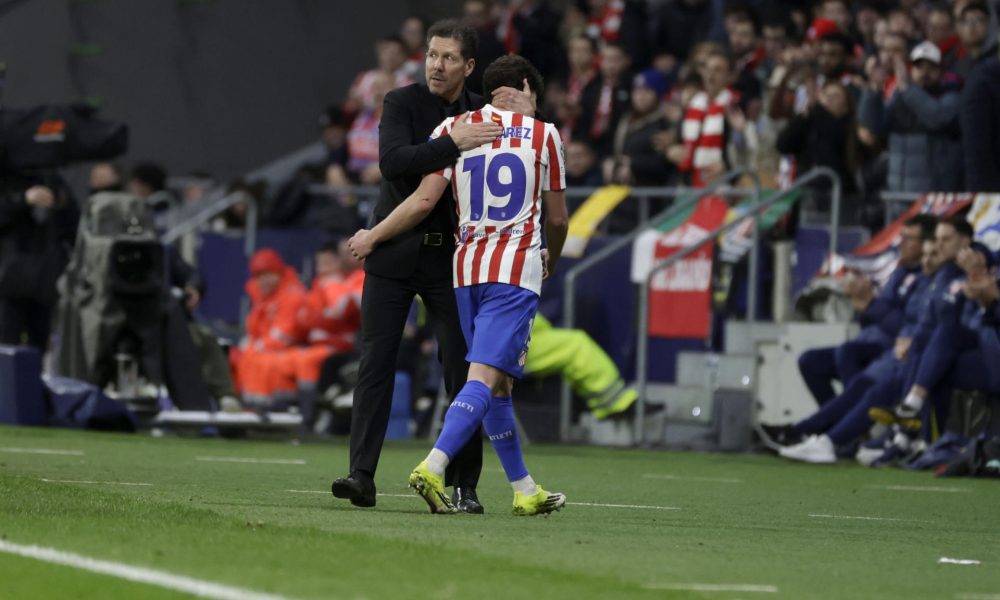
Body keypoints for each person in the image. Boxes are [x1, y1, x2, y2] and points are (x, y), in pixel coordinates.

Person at [348, 54, 569, 517]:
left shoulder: (455, 130)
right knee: (484, 377)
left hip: (464, 270)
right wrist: (553, 254)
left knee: (499, 382)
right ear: (528, 87)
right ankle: (433, 465)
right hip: (514, 270)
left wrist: (373, 235)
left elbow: (425, 199)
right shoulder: (544, 134)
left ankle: (524, 489)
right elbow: (558, 217)